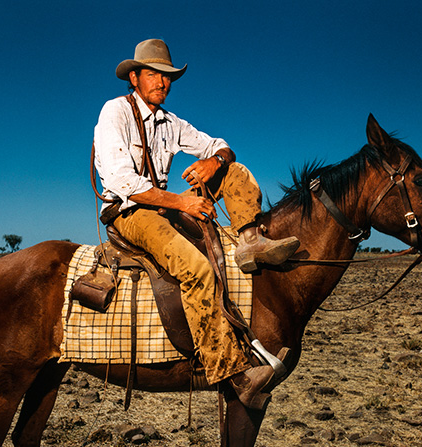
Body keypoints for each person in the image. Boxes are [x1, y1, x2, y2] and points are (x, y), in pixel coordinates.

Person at [93, 39, 299, 408]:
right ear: (135, 77)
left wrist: (213, 162)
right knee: (196, 269)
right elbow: (122, 183)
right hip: (130, 213)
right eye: (154, 74)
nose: (163, 82)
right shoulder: (115, 112)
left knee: (234, 171)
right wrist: (184, 201)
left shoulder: (171, 123)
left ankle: (250, 240)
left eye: (168, 76)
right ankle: (232, 372)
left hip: (165, 207)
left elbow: (220, 144)